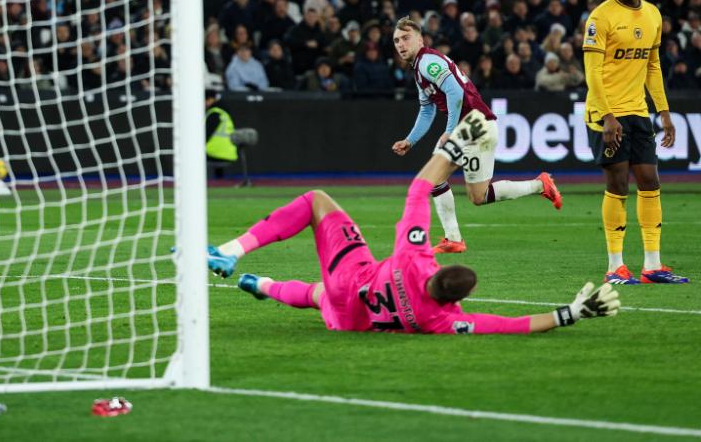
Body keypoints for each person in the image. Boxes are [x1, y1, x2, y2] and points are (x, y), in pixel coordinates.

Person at [207, 111, 620, 335]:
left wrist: (456, 145)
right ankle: (260, 285)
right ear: (455, 302)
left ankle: (234, 252)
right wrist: (573, 313)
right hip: (355, 320)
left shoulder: (416, 255)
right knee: (319, 296)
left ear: (437, 270)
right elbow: (512, 325)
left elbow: (419, 188)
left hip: (354, 279)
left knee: (316, 201)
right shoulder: (443, 321)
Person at [390, 17, 561, 253]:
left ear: (420, 39)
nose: (401, 44)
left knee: (433, 175)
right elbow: (427, 109)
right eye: (397, 40)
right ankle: (540, 185)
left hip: (474, 125)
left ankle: (454, 239)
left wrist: (450, 132)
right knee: (478, 196)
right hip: (475, 126)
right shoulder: (420, 68)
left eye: (406, 38)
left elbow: (455, 92)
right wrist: (410, 140)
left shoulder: (427, 62)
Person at [582, 0, 687, 284]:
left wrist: (664, 112)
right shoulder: (601, 18)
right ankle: (615, 266)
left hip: (639, 112)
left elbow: (653, 66)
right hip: (606, 114)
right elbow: (593, 72)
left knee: (650, 181)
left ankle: (652, 265)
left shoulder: (654, 15)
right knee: (617, 184)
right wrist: (608, 116)